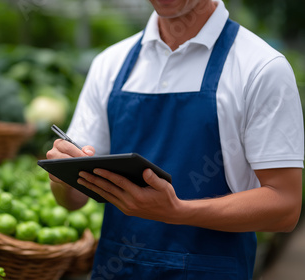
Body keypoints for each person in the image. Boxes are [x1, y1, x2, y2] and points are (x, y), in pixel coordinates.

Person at [46, 0, 304, 279]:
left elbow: (284, 206)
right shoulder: (110, 64)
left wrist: (178, 212)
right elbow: (72, 201)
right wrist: (61, 178)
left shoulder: (261, 67)